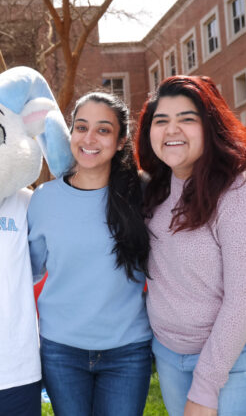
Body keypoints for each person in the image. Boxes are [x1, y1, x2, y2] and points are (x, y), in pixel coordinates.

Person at [135, 76, 246, 416]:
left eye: (186, 119)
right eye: (161, 121)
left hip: (240, 352)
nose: (171, 130)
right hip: (170, 351)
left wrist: (205, 389)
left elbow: (243, 301)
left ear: (211, 126)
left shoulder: (242, 190)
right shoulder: (158, 186)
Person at [27, 92, 152, 416]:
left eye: (103, 130)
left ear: (121, 140)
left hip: (127, 350)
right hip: (61, 350)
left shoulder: (143, 194)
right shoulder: (44, 199)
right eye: (81, 127)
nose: (89, 139)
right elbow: (32, 269)